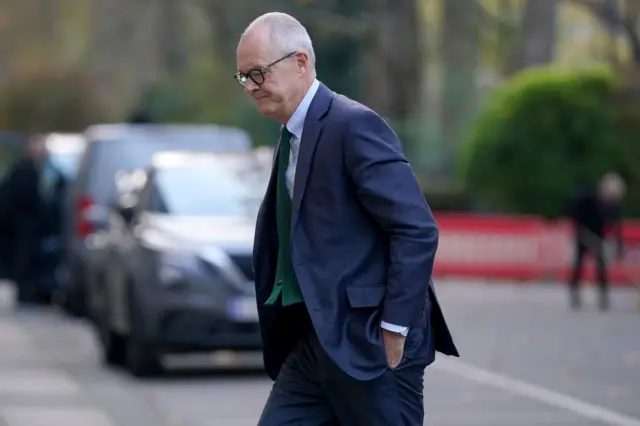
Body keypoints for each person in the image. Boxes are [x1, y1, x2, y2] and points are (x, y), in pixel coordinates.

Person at [236, 12, 459, 426]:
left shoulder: (353, 125)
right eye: (244, 77)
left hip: (370, 342)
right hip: (312, 343)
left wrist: (394, 329)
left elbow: (416, 229)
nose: (250, 86)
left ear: (300, 62)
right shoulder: (290, 137)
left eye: (258, 73)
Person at [0, 134, 49, 305]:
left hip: (20, 224)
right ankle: (25, 292)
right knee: (24, 260)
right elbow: (27, 199)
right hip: (23, 225)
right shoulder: (27, 171)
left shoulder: (23, 169)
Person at [566, 172, 626, 310]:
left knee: (601, 266)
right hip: (583, 232)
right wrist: (579, 231)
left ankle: (603, 297)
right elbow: (572, 213)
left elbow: (615, 226)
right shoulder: (587, 197)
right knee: (579, 263)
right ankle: (575, 294)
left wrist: (619, 246)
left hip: (598, 235)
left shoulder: (613, 206)